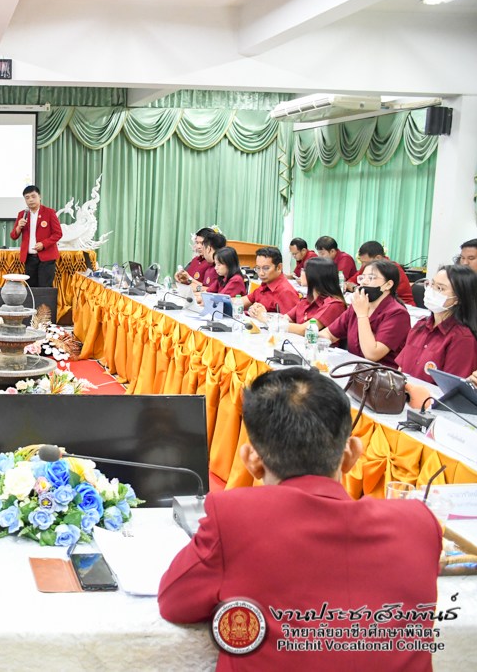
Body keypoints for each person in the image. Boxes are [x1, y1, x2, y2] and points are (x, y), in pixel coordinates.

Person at [158, 368, 441, 672]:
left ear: (252, 460)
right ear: (353, 454)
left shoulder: (234, 517)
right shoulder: (419, 524)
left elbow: (174, 602)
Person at [320, 259, 411, 368]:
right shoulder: (358, 306)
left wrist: (362, 315)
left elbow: (372, 354)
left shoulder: (397, 314)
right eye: (362, 278)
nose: (364, 282)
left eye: (371, 278)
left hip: (381, 373)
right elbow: (329, 334)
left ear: (388, 284)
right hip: (353, 368)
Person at [397, 264, 477, 383]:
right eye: (432, 284)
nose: (432, 291)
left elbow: (451, 387)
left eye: (440, 288)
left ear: (458, 298)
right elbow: (401, 369)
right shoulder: (420, 325)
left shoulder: (462, 338)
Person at [265, 256, 346, 336]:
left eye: (304, 270)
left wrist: (270, 321)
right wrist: (265, 316)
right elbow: (285, 319)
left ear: (314, 276)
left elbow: (305, 329)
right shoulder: (307, 300)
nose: (301, 273)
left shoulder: (334, 304)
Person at [9, 185, 62, 288]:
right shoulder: (22, 214)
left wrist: (43, 244)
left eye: (33, 196)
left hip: (47, 258)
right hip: (29, 259)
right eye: (27, 197)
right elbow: (13, 236)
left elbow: (58, 233)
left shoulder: (49, 212)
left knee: (44, 289)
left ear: (40, 197)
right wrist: (18, 227)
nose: (30, 200)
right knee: (31, 288)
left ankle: (45, 300)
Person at [237, 247, 300, 317]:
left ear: (279, 267)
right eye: (258, 268)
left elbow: (289, 322)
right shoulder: (265, 284)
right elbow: (242, 301)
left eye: (266, 268)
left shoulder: (286, 292)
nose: (261, 273)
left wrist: (264, 316)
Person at [345, 241, 413, 301]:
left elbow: (375, 293)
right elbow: (349, 282)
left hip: (402, 304)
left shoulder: (392, 268)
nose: (363, 265)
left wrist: (355, 288)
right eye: (362, 262)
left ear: (378, 258)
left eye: (365, 262)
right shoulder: (368, 266)